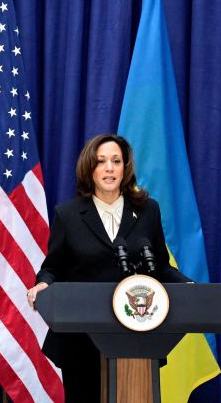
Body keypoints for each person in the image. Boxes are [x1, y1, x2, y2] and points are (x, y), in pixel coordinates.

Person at [27, 133, 188, 402]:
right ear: (89, 168)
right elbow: (52, 267)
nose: (109, 168)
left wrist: (187, 286)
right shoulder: (68, 215)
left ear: (126, 168)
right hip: (81, 340)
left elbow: (160, 265)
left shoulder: (148, 210)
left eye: (116, 161)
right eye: (101, 162)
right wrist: (44, 283)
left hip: (137, 337)